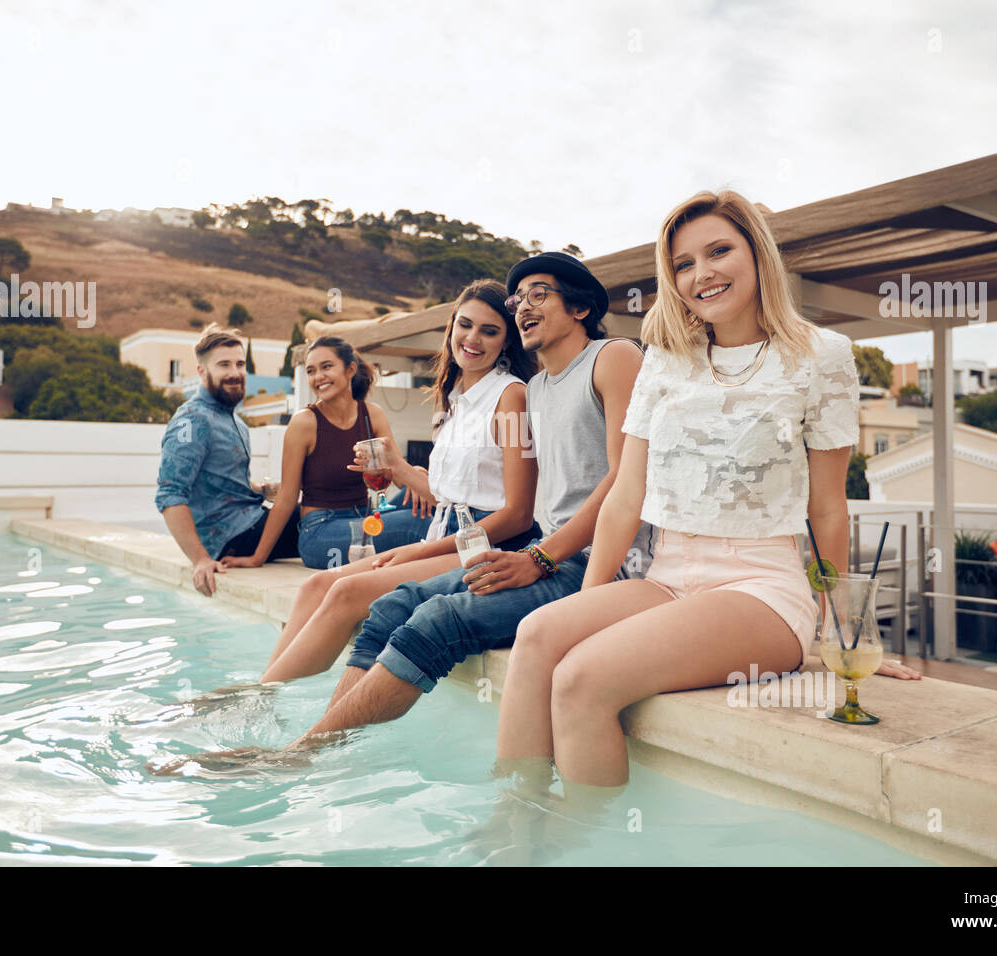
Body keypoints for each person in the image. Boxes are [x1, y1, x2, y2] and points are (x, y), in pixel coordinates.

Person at [155, 252, 651, 773]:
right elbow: (469, 492)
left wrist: (539, 559)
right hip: (536, 549)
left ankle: (298, 751)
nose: (521, 309)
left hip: (583, 558)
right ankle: (310, 740)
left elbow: (598, 487)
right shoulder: (533, 389)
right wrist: (401, 476)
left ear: (579, 306)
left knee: (401, 607)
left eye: (537, 295)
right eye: (515, 300)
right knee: (388, 605)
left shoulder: (596, 363)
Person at [495, 191, 922, 794]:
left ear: (757, 251)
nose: (703, 273)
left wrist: (840, 627)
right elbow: (625, 494)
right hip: (666, 577)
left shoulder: (821, 355)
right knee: (539, 636)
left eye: (719, 250)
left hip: (762, 588)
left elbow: (826, 504)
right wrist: (582, 611)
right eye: (684, 264)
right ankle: (515, 825)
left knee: (582, 680)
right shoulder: (666, 358)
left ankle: (582, 848)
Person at [228, 278, 542, 689]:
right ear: (451, 327)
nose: (473, 339)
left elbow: (518, 515)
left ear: (507, 341)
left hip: (485, 545)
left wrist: (424, 547)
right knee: (317, 585)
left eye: (490, 331)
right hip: (445, 532)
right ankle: (262, 691)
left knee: (345, 594)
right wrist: (398, 468)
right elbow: (450, 496)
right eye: (465, 325)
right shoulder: (454, 399)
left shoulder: (510, 396)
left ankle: (257, 698)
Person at [222, 335, 431, 572]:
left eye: (326, 367)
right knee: (418, 523)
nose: (318, 377)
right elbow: (288, 497)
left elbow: (397, 472)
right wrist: (257, 557)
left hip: (365, 517)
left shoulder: (372, 415)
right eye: (311, 371)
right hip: (321, 533)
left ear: (350, 369)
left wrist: (417, 475)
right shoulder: (304, 422)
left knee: (429, 506)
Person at [156, 324, 300, 597]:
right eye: (224, 365)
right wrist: (200, 559)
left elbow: (223, 483)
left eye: (240, 364)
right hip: (231, 539)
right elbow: (170, 493)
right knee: (319, 517)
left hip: (249, 522)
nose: (234, 373)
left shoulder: (233, 420)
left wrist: (262, 490)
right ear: (201, 371)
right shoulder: (191, 420)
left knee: (319, 513)